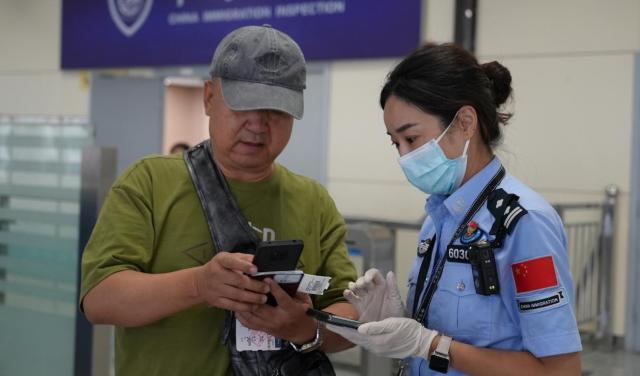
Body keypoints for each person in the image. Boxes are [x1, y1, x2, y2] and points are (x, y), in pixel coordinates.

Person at [80, 25, 357, 376]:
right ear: (209, 97)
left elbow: (348, 312)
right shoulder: (149, 183)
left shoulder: (313, 201)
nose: (258, 124)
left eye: (276, 110)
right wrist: (198, 285)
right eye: (243, 105)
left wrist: (305, 329)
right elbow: (99, 300)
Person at [328, 43, 582, 375]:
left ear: (464, 122)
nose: (404, 157)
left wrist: (429, 344)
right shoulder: (438, 220)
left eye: (412, 139)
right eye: (396, 143)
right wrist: (399, 324)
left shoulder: (523, 223)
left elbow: (559, 370)